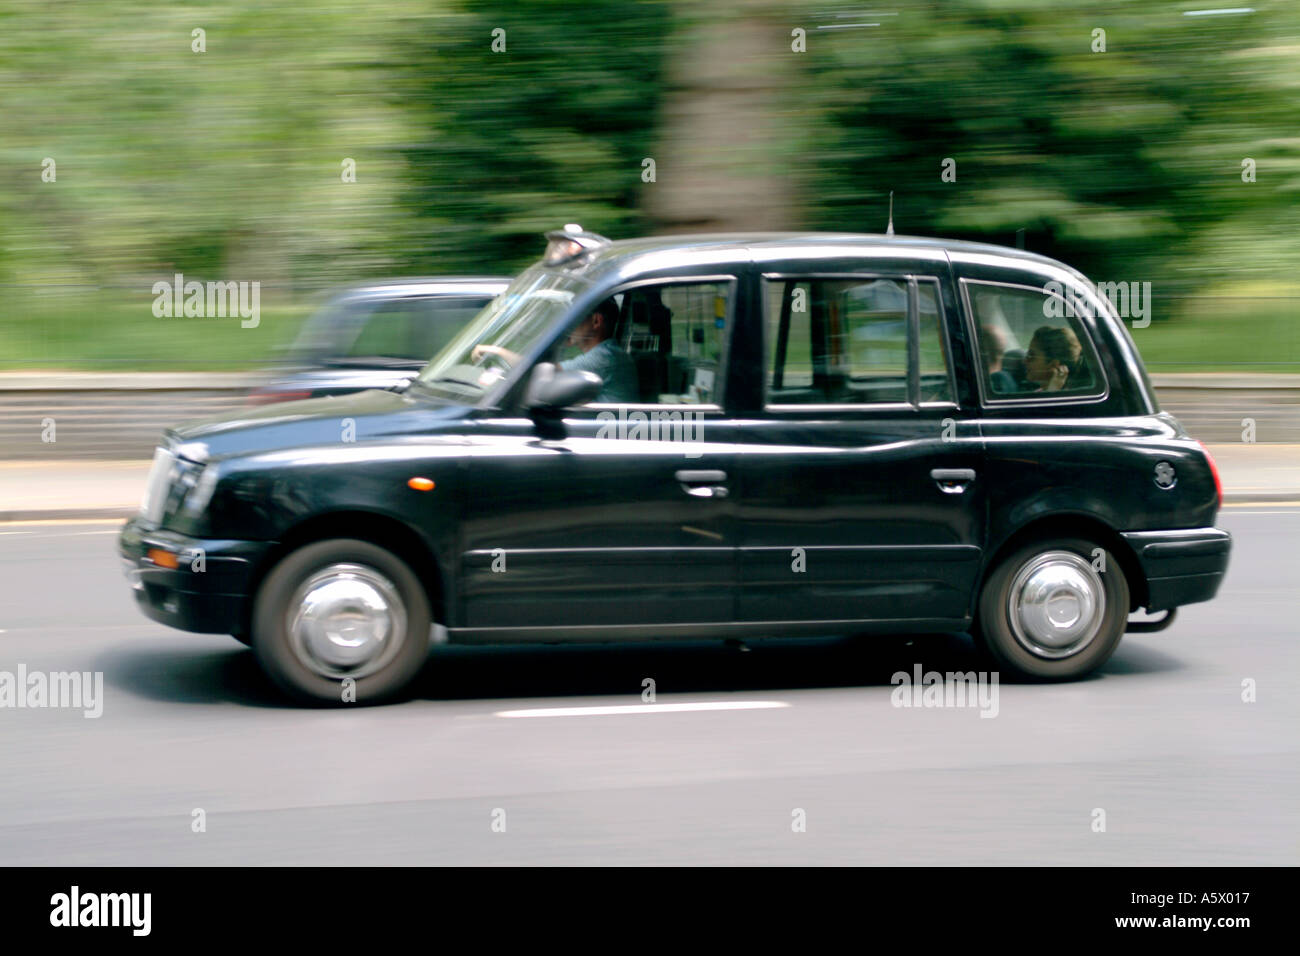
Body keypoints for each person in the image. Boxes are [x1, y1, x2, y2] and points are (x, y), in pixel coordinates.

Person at [471, 297, 639, 404]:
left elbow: (542, 371)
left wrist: (497, 351)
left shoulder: (604, 357)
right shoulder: (607, 352)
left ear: (596, 321)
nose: (569, 326)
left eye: (575, 319)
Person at [1023, 325, 1082, 392]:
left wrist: (1053, 390)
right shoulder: (1039, 391)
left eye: (1031, 356)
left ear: (1054, 364)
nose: (1024, 361)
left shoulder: (1068, 398)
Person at [977, 324, 1018, 394]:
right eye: (996, 352)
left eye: (1000, 352)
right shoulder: (1001, 379)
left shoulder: (1001, 379)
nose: (998, 358)